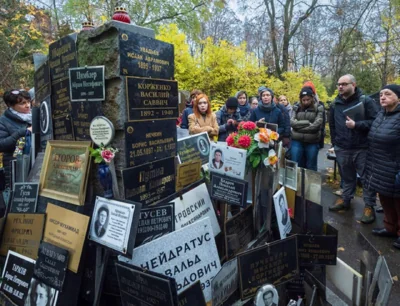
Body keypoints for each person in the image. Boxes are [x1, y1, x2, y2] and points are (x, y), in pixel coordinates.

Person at [328, 74, 379, 224]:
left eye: (344, 84)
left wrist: (357, 125)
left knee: (366, 178)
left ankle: (369, 206)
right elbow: (332, 125)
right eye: (339, 84)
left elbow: (375, 122)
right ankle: (345, 199)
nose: (340, 87)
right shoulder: (335, 104)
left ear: (353, 85)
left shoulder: (366, 101)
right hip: (342, 147)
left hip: (362, 147)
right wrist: (334, 143)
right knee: (347, 176)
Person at [366, 84, 400, 249]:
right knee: (385, 198)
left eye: (388, 94)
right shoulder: (381, 115)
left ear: (398, 98)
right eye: (381, 95)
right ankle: (390, 227)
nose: (382, 97)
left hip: (396, 166)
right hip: (380, 165)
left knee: (398, 202)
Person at [0, 90, 32, 189]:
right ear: (11, 105)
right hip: (15, 165)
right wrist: (23, 132)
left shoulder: (34, 116)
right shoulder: (4, 121)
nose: (27, 106)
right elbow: (2, 145)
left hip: (34, 162)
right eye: (22, 103)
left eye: (28, 102)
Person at [290, 87, 324, 171]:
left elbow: (317, 125)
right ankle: (297, 183)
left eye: (308, 99)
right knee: (296, 164)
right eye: (303, 100)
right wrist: (308, 124)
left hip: (312, 142)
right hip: (297, 141)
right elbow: (292, 122)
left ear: (312, 98)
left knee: (311, 166)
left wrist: (298, 128)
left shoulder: (319, 107)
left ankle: (310, 184)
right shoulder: (296, 107)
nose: (305, 102)